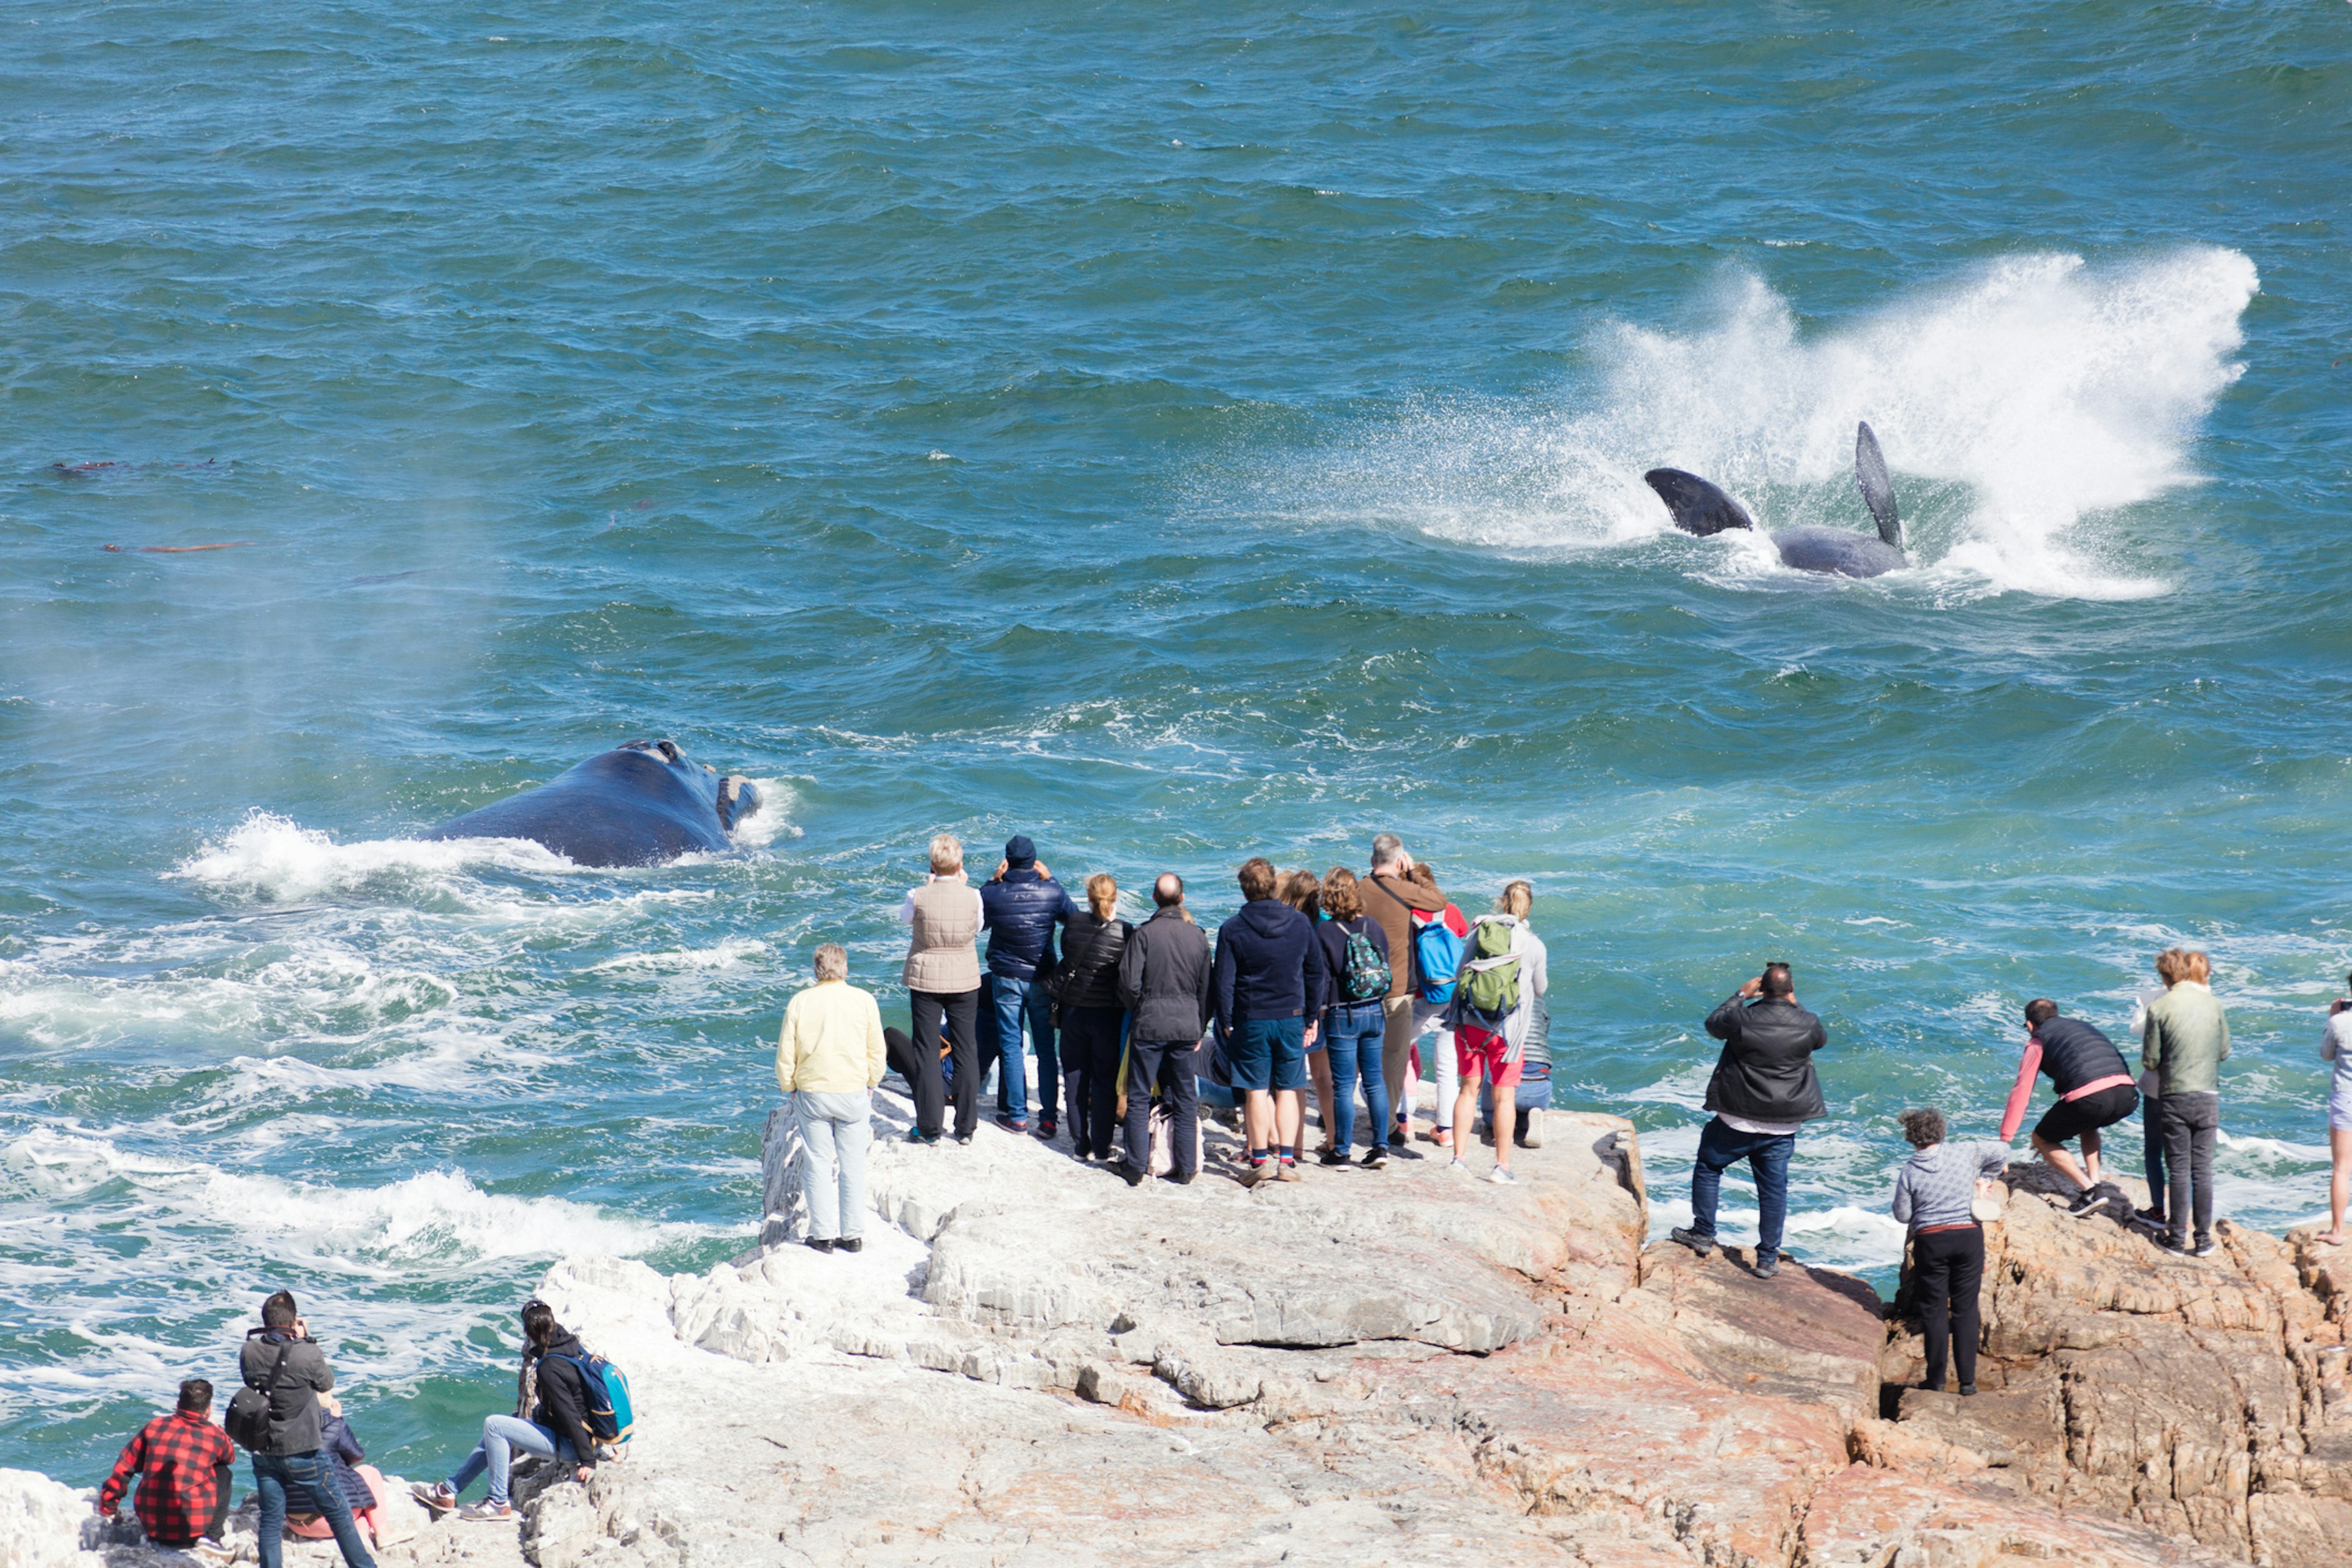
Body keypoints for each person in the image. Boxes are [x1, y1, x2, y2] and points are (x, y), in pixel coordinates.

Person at [1668, 963, 1827, 1280]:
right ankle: (1767, 1259)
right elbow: (1819, 1039)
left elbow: (1713, 1024)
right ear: (1790, 990)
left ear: (1762, 989)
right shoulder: (1808, 1023)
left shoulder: (1742, 1017)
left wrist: (1740, 994)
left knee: (1710, 1167)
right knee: (1774, 1191)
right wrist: (1795, 1003)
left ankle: (1703, 1234)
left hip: (1736, 1120)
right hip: (1782, 1125)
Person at [411, 1300, 602, 1523]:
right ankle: (448, 1491)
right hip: (580, 1433)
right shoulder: (569, 1344)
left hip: (571, 1443)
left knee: (495, 1425)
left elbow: (570, 1415)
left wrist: (587, 1461)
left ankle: (498, 1502)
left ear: (528, 1333)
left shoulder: (550, 1368)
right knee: (495, 1433)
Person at [239, 1291, 377, 1568]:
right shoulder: (307, 1352)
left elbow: (254, 1376)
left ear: (266, 1321)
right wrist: (305, 1339)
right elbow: (326, 1383)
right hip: (303, 1452)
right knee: (339, 1514)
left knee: (270, 1522)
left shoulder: (249, 1351)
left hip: (265, 1452)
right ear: (293, 1321)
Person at [1212, 856, 1327, 1185]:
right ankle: (1287, 1162)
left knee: (1256, 1091)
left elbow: (1225, 982)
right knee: (1289, 1088)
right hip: (1291, 1016)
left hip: (1250, 1019)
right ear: (1273, 883)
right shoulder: (1300, 923)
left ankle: (1260, 1159)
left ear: (1244, 889)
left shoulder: (1232, 928)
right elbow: (1315, 972)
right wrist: (1311, 1016)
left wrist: (1226, 1021)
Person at [777, 942, 888, 1254]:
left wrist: (790, 1086)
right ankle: (853, 1235)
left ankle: (823, 1235)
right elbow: (876, 1049)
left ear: (816, 970)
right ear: (845, 969)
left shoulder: (800, 1002)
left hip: (813, 1093)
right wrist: (872, 1081)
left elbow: (787, 1052)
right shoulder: (864, 1000)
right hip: (853, 1091)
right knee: (852, 1165)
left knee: (817, 1163)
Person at [1890, 1109, 2005, 1397]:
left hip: (1932, 1241)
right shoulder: (1966, 1152)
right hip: (1968, 1235)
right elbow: (2002, 1150)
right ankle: (1967, 1382)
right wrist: (1985, 1179)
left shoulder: (1910, 1170)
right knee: (1966, 1308)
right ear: (1941, 1130)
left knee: (1935, 1310)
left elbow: (1903, 1215)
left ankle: (1936, 1379)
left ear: (1911, 1137)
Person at [1445, 881, 1548, 1184]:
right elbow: (1540, 989)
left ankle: (1458, 1159)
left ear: (1502, 903)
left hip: (1469, 1024)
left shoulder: (1480, 932)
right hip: (1507, 1032)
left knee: (1468, 1090)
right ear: (1528, 908)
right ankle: (1501, 1167)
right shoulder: (1534, 945)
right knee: (1504, 1098)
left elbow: (1460, 970)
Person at [1999, 999, 2139, 1216]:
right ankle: (2096, 1183)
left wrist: (2005, 1140)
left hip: (2091, 1097)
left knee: (2041, 1138)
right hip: (2127, 1093)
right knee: (2089, 1123)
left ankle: (2090, 1190)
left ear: (2029, 1025)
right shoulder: (2083, 1027)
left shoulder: (2038, 1041)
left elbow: (2022, 1091)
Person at [1117, 873, 1215, 1185]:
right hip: (1187, 1025)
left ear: (1154, 898)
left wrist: (1142, 1009)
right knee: (1186, 1097)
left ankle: (1134, 1167)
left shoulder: (1144, 935)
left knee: (1139, 1094)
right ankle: (1185, 1168)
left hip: (1149, 1023)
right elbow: (1206, 991)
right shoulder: (1198, 937)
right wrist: (1199, 1027)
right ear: (1182, 899)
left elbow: (1128, 983)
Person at [981, 835, 1079, 1135]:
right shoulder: (1051, 891)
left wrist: (992, 882)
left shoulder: (993, 894)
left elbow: (978, 920)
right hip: (1042, 978)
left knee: (1011, 1045)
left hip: (1007, 977)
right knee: (1047, 1049)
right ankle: (1048, 1119)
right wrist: (1052, 881)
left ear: (1007, 862)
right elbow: (1074, 920)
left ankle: (1018, 1116)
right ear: (1035, 861)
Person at [1360, 834, 1447, 1159]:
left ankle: (1347, 1116)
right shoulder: (1403, 889)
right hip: (1397, 991)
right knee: (1394, 1059)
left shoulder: (1358, 889)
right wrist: (1415, 873)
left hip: (1359, 990)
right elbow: (1438, 901)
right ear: (1399, 862)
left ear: (1372, 861)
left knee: (1360, 1057)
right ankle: (1387, 1127)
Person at [2141, 947, 2230, 1257]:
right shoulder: (2213, 1003)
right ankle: (2203, 1239)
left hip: (2175, 1095)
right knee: (2202, 1170)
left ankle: (2176, 1239)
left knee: (2178, 1169)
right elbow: (2223, 1052)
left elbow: (2150, 1061)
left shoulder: (2160, 1007)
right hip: (2208, 1095)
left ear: (2164, 975)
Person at [897, 834, 984, 1144]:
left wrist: (929, 888)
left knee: (927, 1051)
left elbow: (905, 919)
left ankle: (931, 1128)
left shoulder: (917, 895)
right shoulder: (974, 896)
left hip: (926, 980)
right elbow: (977, 927)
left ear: (932, 866)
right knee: (966, 1049)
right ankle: (965, 1128)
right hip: (964, 979)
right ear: (960, 866)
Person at [96, 1378, 236, 1562]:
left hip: (152, 1527)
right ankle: (212, 1538)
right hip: (191, 1530)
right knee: (223, 1472)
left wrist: (108, 1507)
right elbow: (229, 1457)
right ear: (208, 1410)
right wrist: (218, 1430)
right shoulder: (214, 1434)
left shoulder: (154, 1426)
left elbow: (124, 1467)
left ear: (178, 1405)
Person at [1314, 867, 1392, 1169]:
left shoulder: (1325, 932)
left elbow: (1321, 979)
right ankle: (1381, 1148)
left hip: (1342, 1013)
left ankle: (1342, 1151)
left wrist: (1315, 1015)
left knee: (1344, 1085)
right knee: (1375, 1081)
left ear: (1328, 896)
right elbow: (1384, 966)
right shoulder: (1373, 926)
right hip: (1375, 1010)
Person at [1056, 873, 1133, 1161]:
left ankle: (1080, 1146)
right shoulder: (1126, 932)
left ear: (1089, 897)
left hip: (1074, 1012)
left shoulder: (1074, 924)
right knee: (1104, 1082)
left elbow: (1067, 955)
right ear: (1115, 899)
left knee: (1075, 1078)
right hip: (1108, 1018)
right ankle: (1101, 1149)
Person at [1278, 870, 1340, 1156]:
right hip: (1325, 1007)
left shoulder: (1293, 925)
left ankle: (1297, 1144)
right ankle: (1334, 1137)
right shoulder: (1327, 924)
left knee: (1295, 1078)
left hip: (1297, 1008)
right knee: (1323, 1075)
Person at [286, 1393, 385, 1545]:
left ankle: (363, 1538)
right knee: (370, 1472)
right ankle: (383, 1532)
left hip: (295, 1524)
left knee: (358, 1516)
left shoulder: (285, 1428)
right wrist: (338, 1421)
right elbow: (357, 1456)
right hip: (329, 1523)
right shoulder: (333, 1424)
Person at [2321, 972, 2352, 1246]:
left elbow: (2326, 1055)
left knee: (2342, 1167)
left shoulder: (2340, 1021)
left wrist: (2332, 1016)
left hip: (2346, 1099)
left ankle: (2337, 1232)